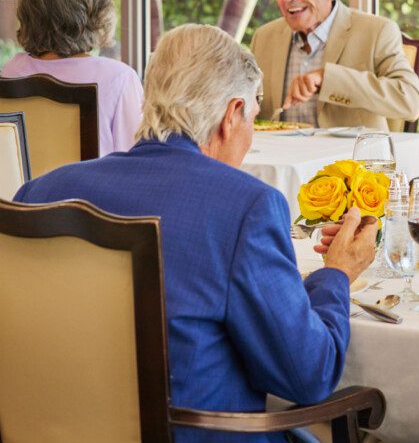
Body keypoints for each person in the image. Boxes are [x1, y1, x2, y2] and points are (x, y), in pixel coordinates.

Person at [15, 24, 378, 442]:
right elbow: (309, 375)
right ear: (230, 114)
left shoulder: (40, 192)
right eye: (253, 119)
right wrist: (337, 274)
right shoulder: (246, 208)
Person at [250, 0, 419, 129]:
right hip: (278, 157)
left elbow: (410, 101)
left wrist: (328, 78)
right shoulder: (264, 37)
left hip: (350, 157)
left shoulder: (377, 32)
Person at [1, 0, 143, 155]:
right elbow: (136, 163)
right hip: (91, 189)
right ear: (97, 10)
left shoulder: (13, 71)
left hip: (26, 189)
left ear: (28, 11)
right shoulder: (118, 78)